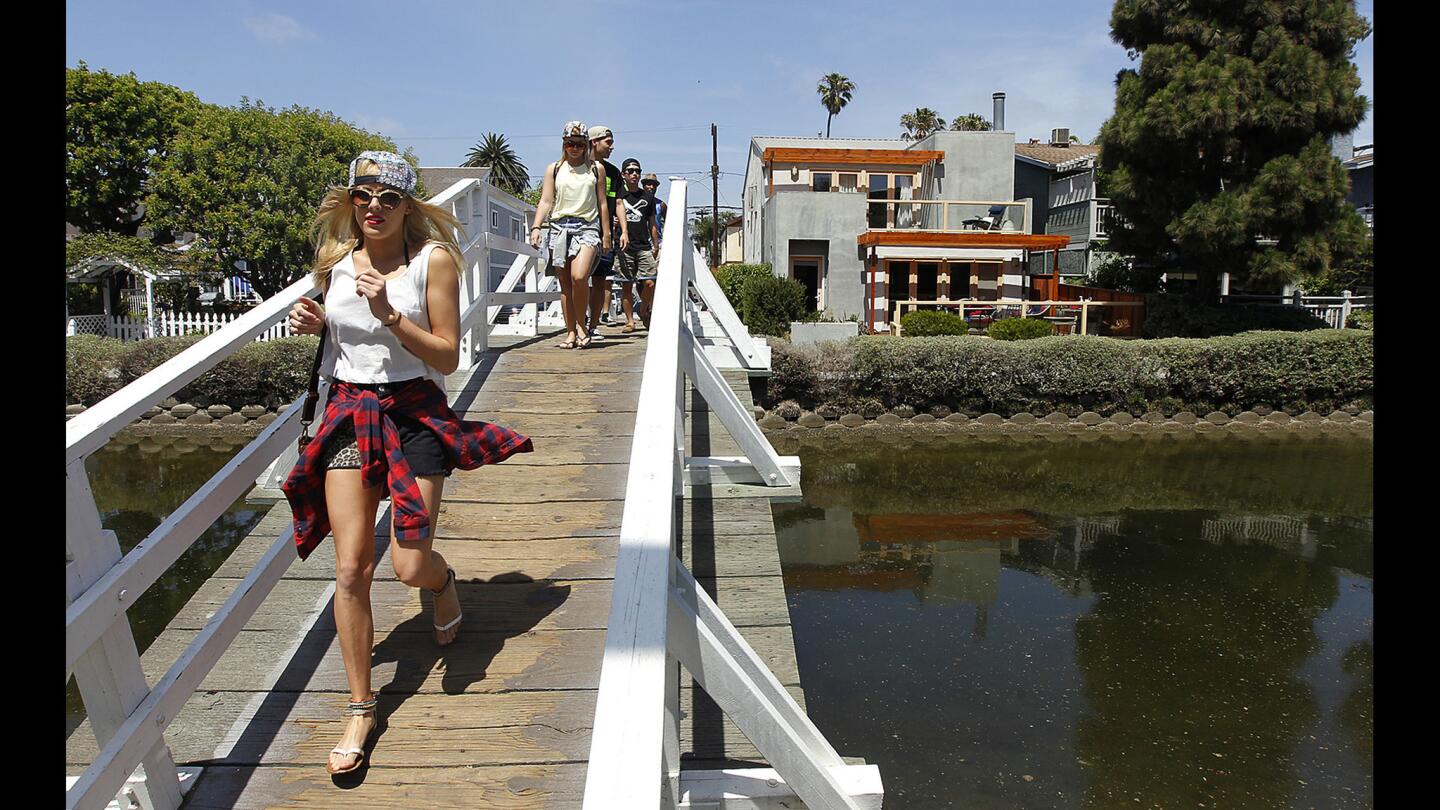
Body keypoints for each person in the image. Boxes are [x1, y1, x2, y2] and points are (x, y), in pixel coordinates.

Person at [282, 150, 534, 775]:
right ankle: (361, 706)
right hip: (348, 414)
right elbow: (339, 342)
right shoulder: (335, 265)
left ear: (407, 207)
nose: (373, 208)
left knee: (409, 561)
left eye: (387, 198)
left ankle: (443, 584)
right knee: (350, 569)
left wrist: (390, 315)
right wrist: (313, 322)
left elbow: (447, 357)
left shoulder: (433, 261)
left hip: (414, 411)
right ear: (350, 202)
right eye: (362, 196)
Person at [528, 122, 611, 349]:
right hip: (559, 227)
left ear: (586, 145)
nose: (574, 148)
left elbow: (603, 203)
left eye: (579, 144)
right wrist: (536, 227)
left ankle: (583, 326)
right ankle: (571, 332)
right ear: (564, 145)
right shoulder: (554, 169)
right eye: (569, 144)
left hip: (587, 227)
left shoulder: (596, 169)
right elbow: (546, 200)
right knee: (565, 284)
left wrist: (607, 234)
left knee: (579, 276)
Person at [585, 125, 627, 339]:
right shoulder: (578, 167)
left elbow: (618, 202)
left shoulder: (613, 172)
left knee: (600, 278)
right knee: (580, 278)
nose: (612, 146)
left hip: (605, 233)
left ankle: (593, 326)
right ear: (595, 142)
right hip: (582, 230)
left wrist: (624, 231)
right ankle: (578, 324)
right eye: (608, 142)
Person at [615, 158, 661, 329]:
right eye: (630, 171)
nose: (634, 174)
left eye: (637, 171)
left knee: (649, 283)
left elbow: (653, 224)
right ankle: (629, 321)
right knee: (626, 285)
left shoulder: (647, 197)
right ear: (623, 174)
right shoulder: (618, 195)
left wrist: (655, 244)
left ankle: (643, 310)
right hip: (624, 246)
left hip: (643, 245)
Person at [642, 173, 667, 250]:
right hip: (640, 244)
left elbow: (669, 224)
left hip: (657, 244)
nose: (652, 187)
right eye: (649, 184)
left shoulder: (661, 205)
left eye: (654, 185)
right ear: (643, 186)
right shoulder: (637, 202)